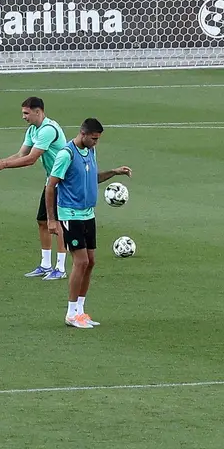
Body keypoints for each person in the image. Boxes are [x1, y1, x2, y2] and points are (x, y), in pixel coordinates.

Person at [44, 119, 131, 329]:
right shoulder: (67, 154)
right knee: (81, 262)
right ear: (83, 133)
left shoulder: (90, 152)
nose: (96, 142)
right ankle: (71, 313)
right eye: (94, 138)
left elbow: (92, 178)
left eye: (98, 139)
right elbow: (50, 186)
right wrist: (51, 219)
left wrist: (114, 172)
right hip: (70, 215)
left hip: (88, 215)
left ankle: (81, 311)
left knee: (90, 262)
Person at [0, 96, 67, 281]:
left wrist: (4, 165)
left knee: (58, 224)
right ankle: (46, 264)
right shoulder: (33, 130)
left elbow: (31, 159)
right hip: (51, 180)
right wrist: (2, 161)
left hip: (64, 180)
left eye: (26, 113)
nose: (23, 117)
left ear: (38, 112)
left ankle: (60, 268)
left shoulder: (48, 130)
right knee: (42, 221)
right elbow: (22, 153)